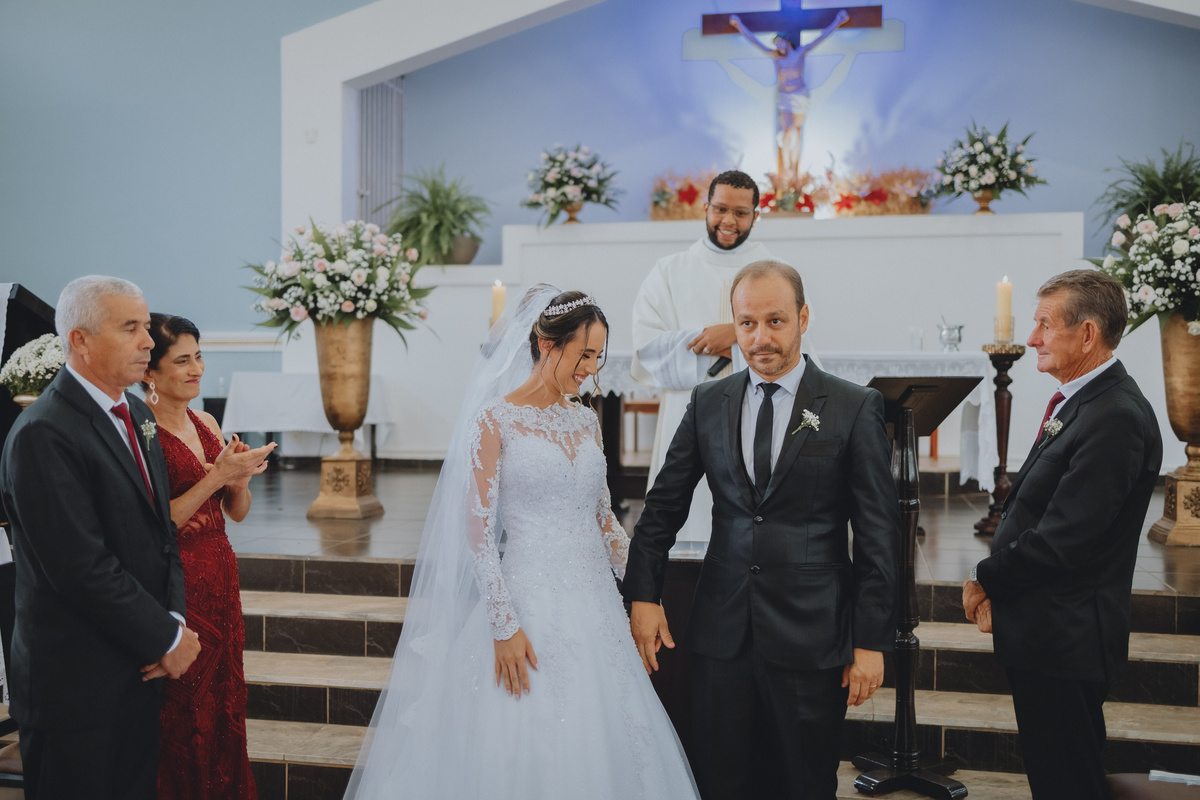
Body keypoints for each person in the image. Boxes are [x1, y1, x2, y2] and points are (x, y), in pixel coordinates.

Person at [344, 286, 699, 800]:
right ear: (547, 343)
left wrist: (645, 589)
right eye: (584, 355)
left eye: (598, 358)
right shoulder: (495, 419)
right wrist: (504, 624)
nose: (590, 369)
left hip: (596, 608)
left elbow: (604, 521)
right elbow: (478, 533)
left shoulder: (586, 421)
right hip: (528, 605)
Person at [624, 260, 900, 800]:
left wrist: (870, 640)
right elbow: (662, 507)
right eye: (746, 323)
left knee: (804, 783)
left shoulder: (854, 406)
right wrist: (643, 595)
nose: (760, 338)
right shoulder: (708, 402)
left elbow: (878, 535)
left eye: (775, 321)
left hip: (812, 634)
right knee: (720, 781)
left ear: (802, 318)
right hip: (721, 633)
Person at [962, 270, 1161, 800]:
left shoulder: (1114, 415)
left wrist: (986, 576)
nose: (1032, 339)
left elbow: (1063, 539)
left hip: (1066, 638)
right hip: (1047, 631)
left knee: (1067, 782)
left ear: (1087, 334)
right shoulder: (1085, 402)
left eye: (1045, 325)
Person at [0, 276, 201, 800]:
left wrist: (174, 619)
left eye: (146, 326)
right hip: (76, 687)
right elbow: (80, 567)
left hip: (137, 671)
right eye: (130, 328)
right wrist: (167, 638)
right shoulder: (44, 431)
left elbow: (162, 534)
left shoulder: (138, 413)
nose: (148, 341)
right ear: (80, 341)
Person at [142, 313, 275, 799]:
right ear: (149, 372)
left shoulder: (207, 422)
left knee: (224, 701)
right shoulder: (142, 431)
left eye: (198, 357)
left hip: (220, 575)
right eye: (182, 361)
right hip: (177, 581)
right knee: (183, 710)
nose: (197, 369)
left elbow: (235, 513)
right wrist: (216, 476)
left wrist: (238, 481)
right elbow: (157, 523)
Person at [631, 170, 777, 543]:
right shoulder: (669, 271)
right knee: (687, 514)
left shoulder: (776, 273)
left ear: (756, 215)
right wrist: (715, 339)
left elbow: (793, 341)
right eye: (720, 209)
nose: (729, 221)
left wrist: (736, 335)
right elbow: (647, 347)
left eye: (741, 213)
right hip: (687, 409)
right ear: (706, 208)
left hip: (756, 408)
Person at [729, 11, 850, 179]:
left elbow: (821, 38)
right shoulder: (776, 56)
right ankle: (786, 166)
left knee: (797, 130)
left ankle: (794, 165)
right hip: (784, 97)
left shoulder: (800, 53)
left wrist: (837, 22)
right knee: (786, 131)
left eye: (780, 43)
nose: (778, 47)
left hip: (799, 95)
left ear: (787, 42)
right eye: (776, 44)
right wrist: (739, 25)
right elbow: (754, 41)